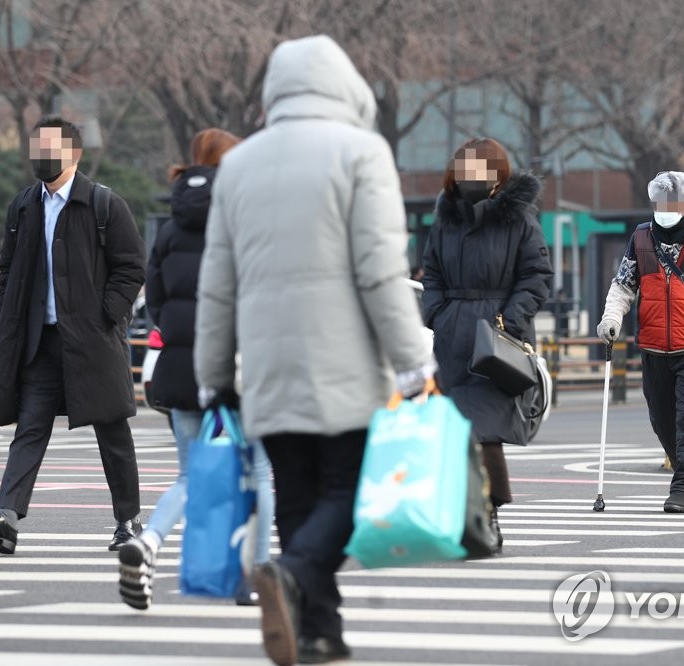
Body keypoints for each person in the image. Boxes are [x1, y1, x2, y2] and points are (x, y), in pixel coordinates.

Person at [194, 35, 434, 666]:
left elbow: (216, 285)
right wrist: (414, 365)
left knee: (299, 501)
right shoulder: (361, 152)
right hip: (346, 368)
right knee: (352, 498)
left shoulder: (239, 165)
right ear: (344, 86)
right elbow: (382, 273)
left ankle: (319, 631)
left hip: (269, 371)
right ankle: (296, 576)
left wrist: (214, 376)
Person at [0, 116, 146, 553]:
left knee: (112, 433)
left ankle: (129, 522)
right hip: (39, 342)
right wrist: (7, 311)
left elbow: (132, 266)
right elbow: (7, 267)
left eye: (50, 149)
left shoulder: (103, 205)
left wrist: (105, 315)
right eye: (35, 148)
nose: (40, 156)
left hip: (93, 342)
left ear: (73, 154)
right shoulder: (24, 205)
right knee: (29, 429)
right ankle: (6, 518)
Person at [117, 128, 275, 610]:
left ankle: (148, 542)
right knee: (264, 473)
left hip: (183, 367)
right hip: (239, 366)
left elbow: (157, 299)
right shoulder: (243, 216)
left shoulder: (170, 227)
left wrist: (185, 337)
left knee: (190, 476)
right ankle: (255, 574)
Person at [420, 137, 553, 547]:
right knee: (457, 433)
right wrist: (438, 314)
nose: (469, 176)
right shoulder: (445, 221)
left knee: (485, 430)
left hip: (498, 339)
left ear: (498, 174)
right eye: (463, 168)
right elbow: (431, 275)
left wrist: (510, 320)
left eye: (478, 168)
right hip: (452, 337)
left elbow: (537, 276)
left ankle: (489, 514)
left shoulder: (519, 220)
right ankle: (469, 516)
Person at [597, 170, 684, 513]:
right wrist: (611, 318)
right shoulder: (640, 238)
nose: (664, 208)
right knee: (661, 418)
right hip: (653, 346)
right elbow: (623, 285)